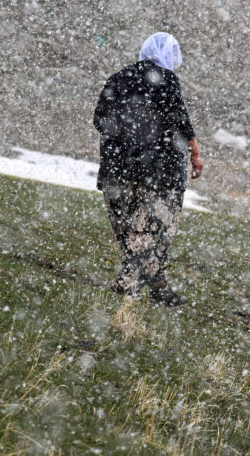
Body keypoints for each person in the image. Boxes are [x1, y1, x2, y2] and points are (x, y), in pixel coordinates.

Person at [93, 32, 203, 306]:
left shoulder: (118, 78)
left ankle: (158, 286)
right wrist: (195, 155)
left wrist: (125, 141)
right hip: (159, 175)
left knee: (132, 234)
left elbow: (99, 120)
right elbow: (182, 122)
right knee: (155, 235)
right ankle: (123, 296)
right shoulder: (167, 81)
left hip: (116, 174)